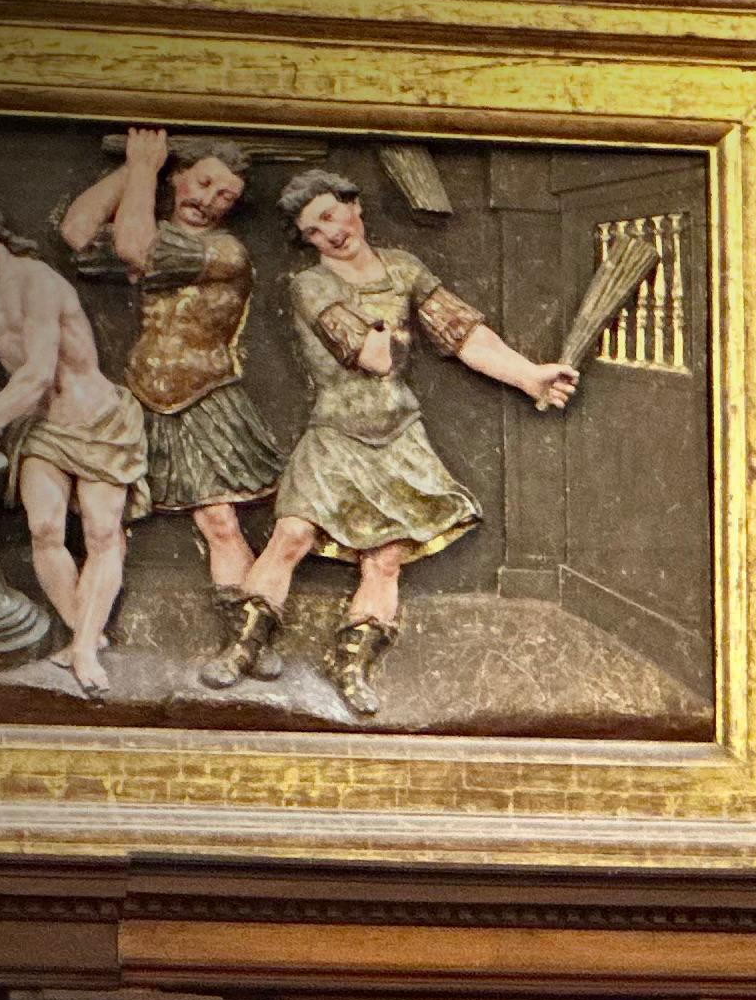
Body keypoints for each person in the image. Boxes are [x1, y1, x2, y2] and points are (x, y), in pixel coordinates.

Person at [209, 167, 577, 715]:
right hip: (336, 432)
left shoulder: (404, 269)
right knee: (290, 535)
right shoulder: (311, 285)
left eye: (334, 214)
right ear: (306, 241)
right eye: (315, 229)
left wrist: (527, 375)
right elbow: (370, 357)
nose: (332, 232)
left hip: (399, 433)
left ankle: (351, 663)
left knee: (385, 561)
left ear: (356, 206)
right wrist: (385, 339)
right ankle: (243, 646)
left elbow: (462, 333)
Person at [0, 188, 147, 700]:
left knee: (103, 533)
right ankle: (85, 636)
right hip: (40, 427)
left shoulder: (39, 283)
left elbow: (39, 372)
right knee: (45, 530)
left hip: (98, 420)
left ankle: (82, 647)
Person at [57, 130, 289, 621]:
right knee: (106, 516)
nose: (208, 201)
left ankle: (245, 636)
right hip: (140, 395)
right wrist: (138, 166)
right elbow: (77, 230)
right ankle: (88, 632)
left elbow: (136, 247)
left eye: (225, 195)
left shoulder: (225, 253)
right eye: (202, 182)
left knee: (219, 521)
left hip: (203, 398)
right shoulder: (152, 228)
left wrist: (144, 169)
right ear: (177, 177)